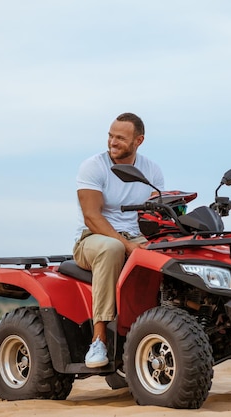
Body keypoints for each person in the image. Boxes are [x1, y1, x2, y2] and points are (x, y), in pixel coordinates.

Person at [73, 112, 164, 368]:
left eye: (120, 138)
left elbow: (155, 215)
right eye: (110, 136)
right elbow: (91, 217)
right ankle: (99, 339)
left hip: (136, 237)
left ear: (139, 141)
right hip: (92, 239)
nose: (113, 142)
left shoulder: (151, 171)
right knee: (112, 249)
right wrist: (128, 246)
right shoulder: (93, 166)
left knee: (170, 255)